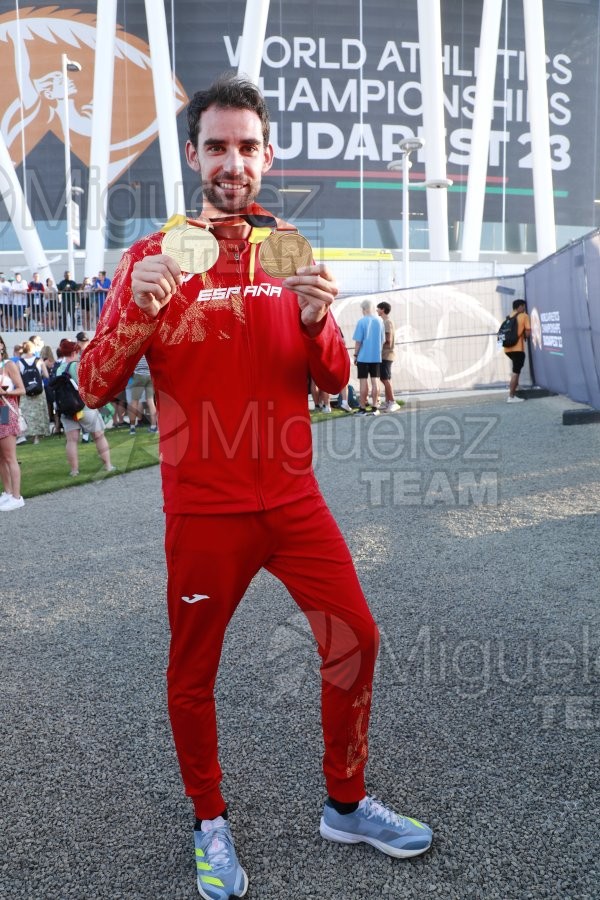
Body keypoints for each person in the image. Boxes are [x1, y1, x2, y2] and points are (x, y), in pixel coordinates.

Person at [78, 74, 432, 899]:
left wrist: (316, 323)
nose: (232, 162)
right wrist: (134, 307)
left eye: (246, 147)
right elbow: (94, 385)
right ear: (194, 155)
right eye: (216, 146)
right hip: (205, 512)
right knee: (192, 674)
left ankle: (345, 802)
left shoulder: (288, 249)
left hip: (295, 501)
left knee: (358, 640)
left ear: (266, 156)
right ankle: (210, 822)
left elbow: (337, 376)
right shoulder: (153, 255)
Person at [54, 338, 115, 477]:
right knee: (99, 436)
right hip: (85, 407)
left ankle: (74, 471)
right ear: (75, 351)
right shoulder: (81, 366)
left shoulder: (59, 369)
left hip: (67, 409)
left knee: (71, 440)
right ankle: (108, 466)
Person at [0, 333, 26, 510]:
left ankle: (17, 496)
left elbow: (22, 389)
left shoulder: (9, 365)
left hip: (6, 410)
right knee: (1, 458)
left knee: (10, 457)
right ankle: (8, 493)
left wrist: (5, 393)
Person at [352, 299, 385, 415]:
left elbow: (358, 342)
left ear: (365, 309)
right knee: (375, 381)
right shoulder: (380, 321)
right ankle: (375, 407)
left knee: (363, 382)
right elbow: (382, 340)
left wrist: (355, 355)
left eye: (362, 309)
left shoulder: (361, 322)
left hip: (363, 357)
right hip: (376, 356)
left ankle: (362, 408)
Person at [17, 340, 49, 445]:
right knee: (39, 413)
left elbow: (17, 378)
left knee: (26, 413)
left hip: (26, 391)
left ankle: (25, 434)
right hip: (39, 391)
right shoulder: (39, 360)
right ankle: (37, 437)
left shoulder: (19, 362)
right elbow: (46, 375)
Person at [504, 298, 531, 403]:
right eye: (523, 306)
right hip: (517, 349)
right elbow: (528, 333)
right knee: (516, 372)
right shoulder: (524, 316)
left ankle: (515, 390)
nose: (524, 308)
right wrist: (524, 334)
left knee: (516, 370)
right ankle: (511, 396)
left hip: (507, 349)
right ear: (519, 306)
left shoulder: (508, 317)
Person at [376, 301, 397, 412]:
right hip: (385, 354)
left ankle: (392, 402)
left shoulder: (387, 322)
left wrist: (375, 343)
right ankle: (388, 401)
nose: (376, 310)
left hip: (386, 354)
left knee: (385, 378)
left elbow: (388, 340)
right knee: (385, 378)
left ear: (383, 309)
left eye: (378, 308)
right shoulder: (385, 321)